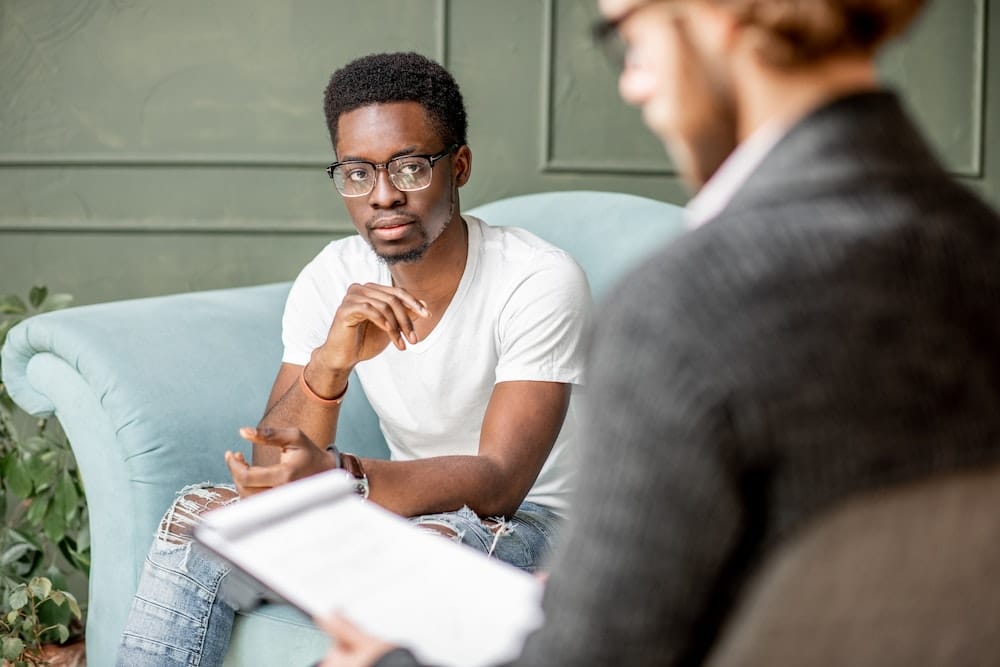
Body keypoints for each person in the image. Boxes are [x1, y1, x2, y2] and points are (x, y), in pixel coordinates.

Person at [319, 0, 1000, 665]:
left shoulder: (689, 303)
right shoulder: (977, 250)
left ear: (721, 18)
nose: (633, 83)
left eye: (631, 40)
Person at [116, 51, 591, 666]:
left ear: (460, 167)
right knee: (196, 520)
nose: (384, 196)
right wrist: (327, 367)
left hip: (541, 524)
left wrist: (345, 480)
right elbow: (275, 467)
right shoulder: (334, 275)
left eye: (410, 168)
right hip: (398, 508)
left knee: (437, 548)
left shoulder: (537, 280)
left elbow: (501, 482)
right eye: (358, 173)